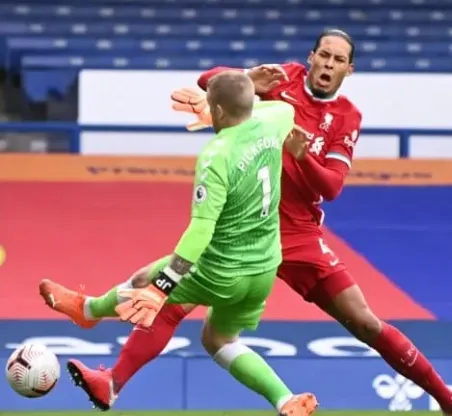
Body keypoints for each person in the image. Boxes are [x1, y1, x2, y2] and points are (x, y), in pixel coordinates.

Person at [39, 29, 452, 416]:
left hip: (298, 235)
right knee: (172, 305)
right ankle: (109, 372)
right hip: (244, 229)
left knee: (364, 321)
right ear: (311, 56)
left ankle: (451, 403)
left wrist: (302, 156)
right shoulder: (284, 82)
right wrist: (248, 75)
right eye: (323, 55)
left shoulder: (346, 117)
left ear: (349, 70)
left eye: (338, 60)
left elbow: (331, 186)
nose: (327, 64)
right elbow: (213, 83)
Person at [58, 70, 317, 414]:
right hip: (264, 268)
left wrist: (162, 286)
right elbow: (266, 108)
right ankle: (285, 399)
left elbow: (200, 232)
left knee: (146, 286)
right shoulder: (278, 117)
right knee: (220, 340)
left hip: (221, 269)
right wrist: (235, 93)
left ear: (218, 110)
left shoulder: (217, 155)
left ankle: (88, 311)